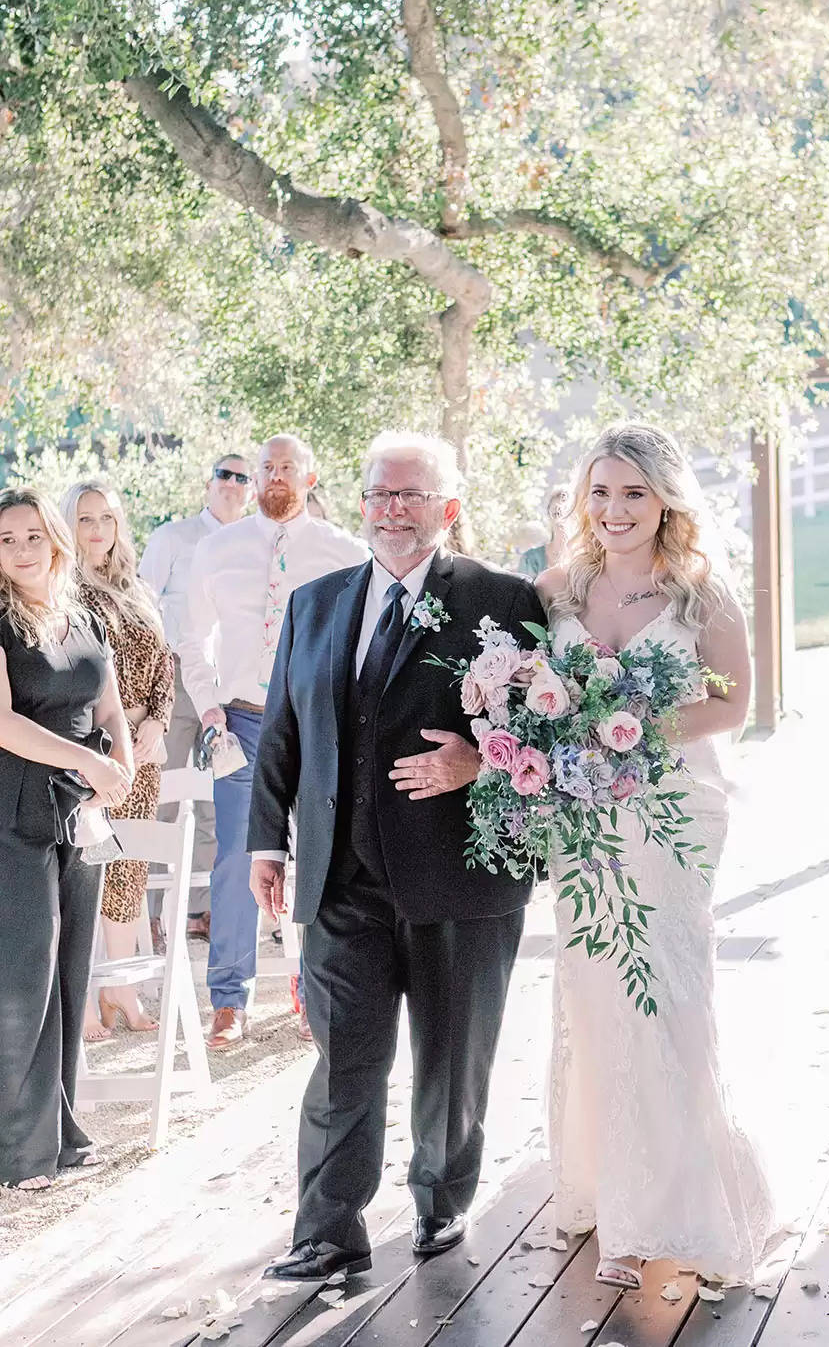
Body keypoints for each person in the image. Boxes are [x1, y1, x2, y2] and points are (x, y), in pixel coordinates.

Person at [249, 431, 546, 1283]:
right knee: (344, 1057)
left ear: (448, 508)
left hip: (459, 876)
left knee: (451, 1059)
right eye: (380, 493)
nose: (392, 510)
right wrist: (267, 841)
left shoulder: (503, 599)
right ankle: (327, 1228)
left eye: (411, 496)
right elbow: (283, 733)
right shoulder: (316, 603)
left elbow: (545, 731)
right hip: (340, 878)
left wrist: (474, 759)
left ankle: (440, 1202)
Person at [536, 423, 773, 1290]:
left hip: (673, 813)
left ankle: (679, 1205)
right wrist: (557, 739)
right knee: (595, 990)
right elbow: (529, 693)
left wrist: (624, 739)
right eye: (601, 491)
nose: (615, 509)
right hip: (582, 825)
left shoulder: (700, 593)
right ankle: (613, 1197)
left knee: (666, 990)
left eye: (634, 492)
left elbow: (735, 703)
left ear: (666, 498)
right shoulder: (557, 587)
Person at [179, 434, 368, 1049]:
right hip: (239, 720)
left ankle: (314, 994)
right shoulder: (217, 550)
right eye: (267, 468)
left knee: (318, 856)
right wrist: (210, 713)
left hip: (316, 723)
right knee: (236, 855)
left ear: (310, 478)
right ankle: (229, 1000)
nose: (275, 478)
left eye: (288, 468)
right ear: (255, 477)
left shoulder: (345, 552)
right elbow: (191, 637)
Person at [0, 487, 133, 1192]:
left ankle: (63, 1135)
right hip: (15, 807)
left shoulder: (84, 617)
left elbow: (107, 705)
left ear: (54, 538)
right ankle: (22, 1155)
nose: (21, 550)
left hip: (81, 812)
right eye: (5, 539)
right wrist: (88, 760)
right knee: (27, 975)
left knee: (71, 971)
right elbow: (4, 724)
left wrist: (123, 764)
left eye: (31, 535)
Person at [61, 481, 175, 1040]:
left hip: (143, 753)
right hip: (90, 750)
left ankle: (121, 991)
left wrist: (156, 720)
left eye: (106, 517)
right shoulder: (61, 590)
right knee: (86, 869)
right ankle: (80, 995)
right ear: (69, 525)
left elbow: (165, 666)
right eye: (86, 519)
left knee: (129, 866)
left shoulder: (137, 589)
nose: (98, 529)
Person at [138, 453, 253, 948]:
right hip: (172, 679)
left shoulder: (253, 545)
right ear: (208, 483)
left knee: (211, 801)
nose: (231, 483)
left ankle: (198, 911)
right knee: (160, 797)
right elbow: (141, 603)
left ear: (250, 490)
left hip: (228, 690)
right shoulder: (173, 538)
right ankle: (146, 916)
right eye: (223, 474)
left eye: (241, 477)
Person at [518, 484, 569, 576]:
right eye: (557, 513)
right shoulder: (530, 559)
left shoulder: (589, 560)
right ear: (549, 515)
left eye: (567, 512)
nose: (561, 519)